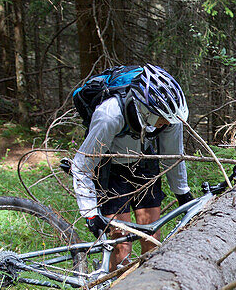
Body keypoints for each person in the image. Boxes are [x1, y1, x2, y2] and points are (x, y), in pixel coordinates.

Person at [70, 64, 194, 269]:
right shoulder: (110, 115)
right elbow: (82, 165)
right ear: (146, 110)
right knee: (121, 247)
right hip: (111, 169)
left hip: (145, 163)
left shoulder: (172, 117)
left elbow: (173, 156)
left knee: (152, 239)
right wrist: (90, 213)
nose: (166, 124)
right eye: (162, 120)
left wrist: (182, 193)